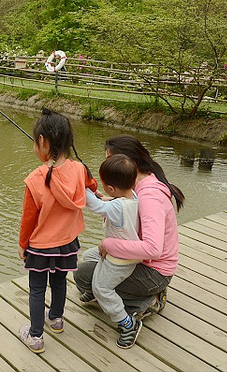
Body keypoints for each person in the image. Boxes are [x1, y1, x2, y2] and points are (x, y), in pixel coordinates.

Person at [74, 134, 184, 346]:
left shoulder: (151, 196)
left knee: (86, 277)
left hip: (154, 270)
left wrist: (108, 244)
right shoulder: (139, 185)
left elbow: (153, 249)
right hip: (137, 260)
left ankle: (144, 302)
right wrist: (105, 198)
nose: (107, 165)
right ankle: (122, 296)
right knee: (88, 258)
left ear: (129, 164)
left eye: (109, 160)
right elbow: (125, 205)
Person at [18, 108, 97, 354]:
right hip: (67, 242)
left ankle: (35, 336)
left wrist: (23, 245)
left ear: (42, 141)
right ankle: (56, 319)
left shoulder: (36, 178)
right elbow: (91, 185)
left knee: (37, 288)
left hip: (41, 246)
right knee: (60, 281)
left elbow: (28, 218)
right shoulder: (79, 170)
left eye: (35, 142)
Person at [82, 153, 142, 349]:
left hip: (119, 261)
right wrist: (106, 197)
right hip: (124, 252)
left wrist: (80, 187)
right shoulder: (133, 197)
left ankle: (127, 323)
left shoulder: (116, 207)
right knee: (88, 256)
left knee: (102, 288)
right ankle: (95, 292)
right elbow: (114, 202)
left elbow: (96, 206)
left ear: (110, 187)